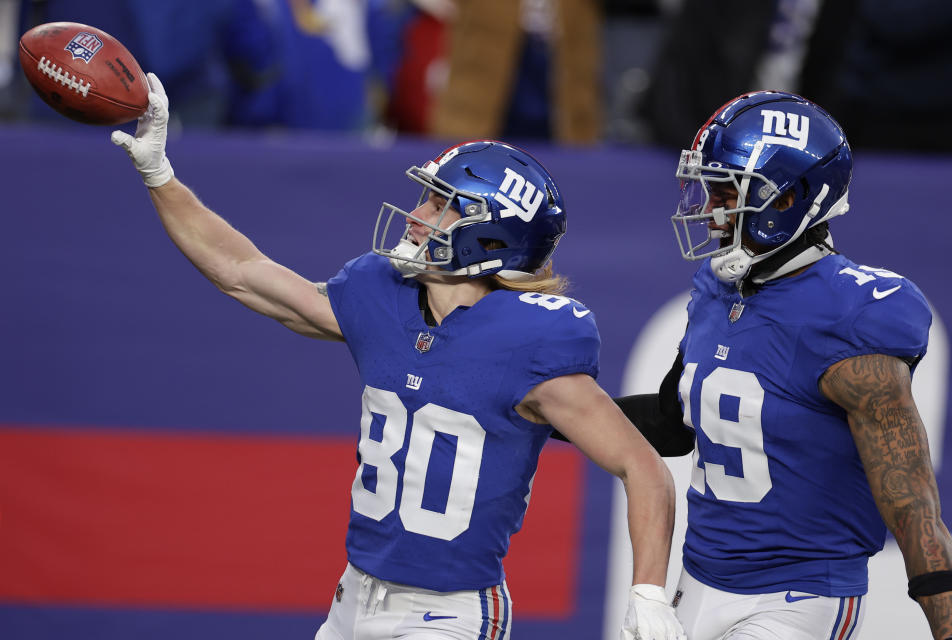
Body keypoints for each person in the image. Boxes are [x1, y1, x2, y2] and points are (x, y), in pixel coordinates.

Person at [110, 73, 687, 640]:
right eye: (426, 198)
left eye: (441, 205)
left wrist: (648, 594)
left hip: (446, 614)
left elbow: (644, 468)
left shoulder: (530, 340)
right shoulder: (381, 294)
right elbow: (243, 273)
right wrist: (161, 176)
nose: (417, 215)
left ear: (491, 236)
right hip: (351, 598)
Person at [616, 90, 952, 639]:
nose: (709, 210)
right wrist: (547, 409)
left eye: (726, 191)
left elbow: (911, 500)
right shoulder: (717, 288)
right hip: (697, 581)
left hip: (798, 597)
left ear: (786, 200)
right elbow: (673, 421)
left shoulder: (851, 314)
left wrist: (949, 624)